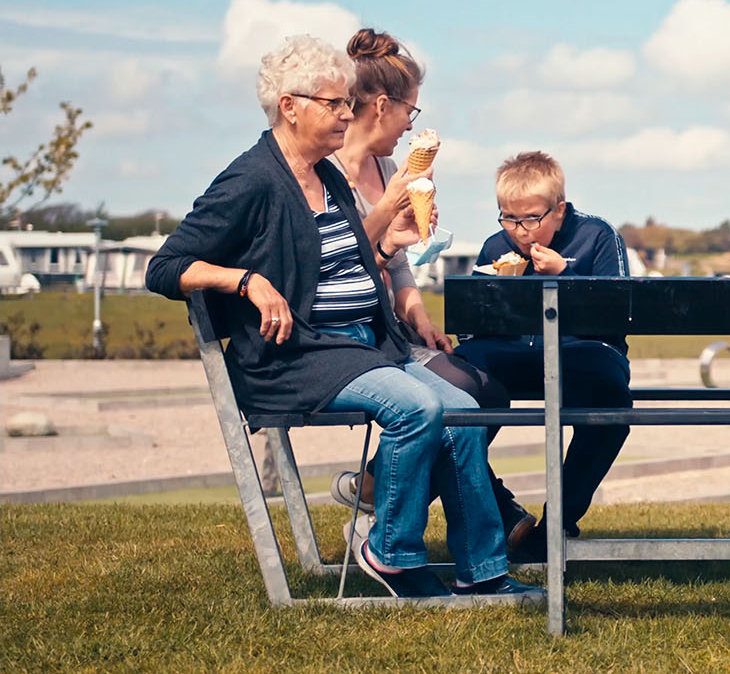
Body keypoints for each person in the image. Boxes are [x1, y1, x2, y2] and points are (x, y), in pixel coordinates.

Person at [145, 35, 535, 598]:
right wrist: (247, 282)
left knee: (464, 409)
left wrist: (389, 244)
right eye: (334, 104)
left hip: (364, 344)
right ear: (290, 106)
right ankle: (391, 553)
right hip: (297, 356)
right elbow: (165, 267)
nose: (346, 114)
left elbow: (347, 260)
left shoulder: (326, 175)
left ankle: (484, 569)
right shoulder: (252, 180)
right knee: (418, 407)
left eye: (347, 103)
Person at [323, 28, 535, 550]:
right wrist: (387, 223)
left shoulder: (389, 167)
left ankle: (374, 488)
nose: (411, 124)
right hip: (354, 335)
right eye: (410, 112)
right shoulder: (326, 174)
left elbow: (395, 267)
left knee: (489, 392)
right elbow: (339, 266)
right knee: (465, 397)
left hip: (394, 328)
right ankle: (477, 512)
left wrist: (418, 313)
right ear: (380, 106)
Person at [455, 151, 632, 563]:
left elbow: (621, 310)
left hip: (584, 354)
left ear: (559, 210)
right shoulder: (494, 247)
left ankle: (556, 526)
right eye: (508, 219)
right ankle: (503, 511)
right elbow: (474, 322)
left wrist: (565, 277)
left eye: (532, 218)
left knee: (612, 408)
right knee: (456, 401)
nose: (520, 231)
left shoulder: (598, 236)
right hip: (511, 354)